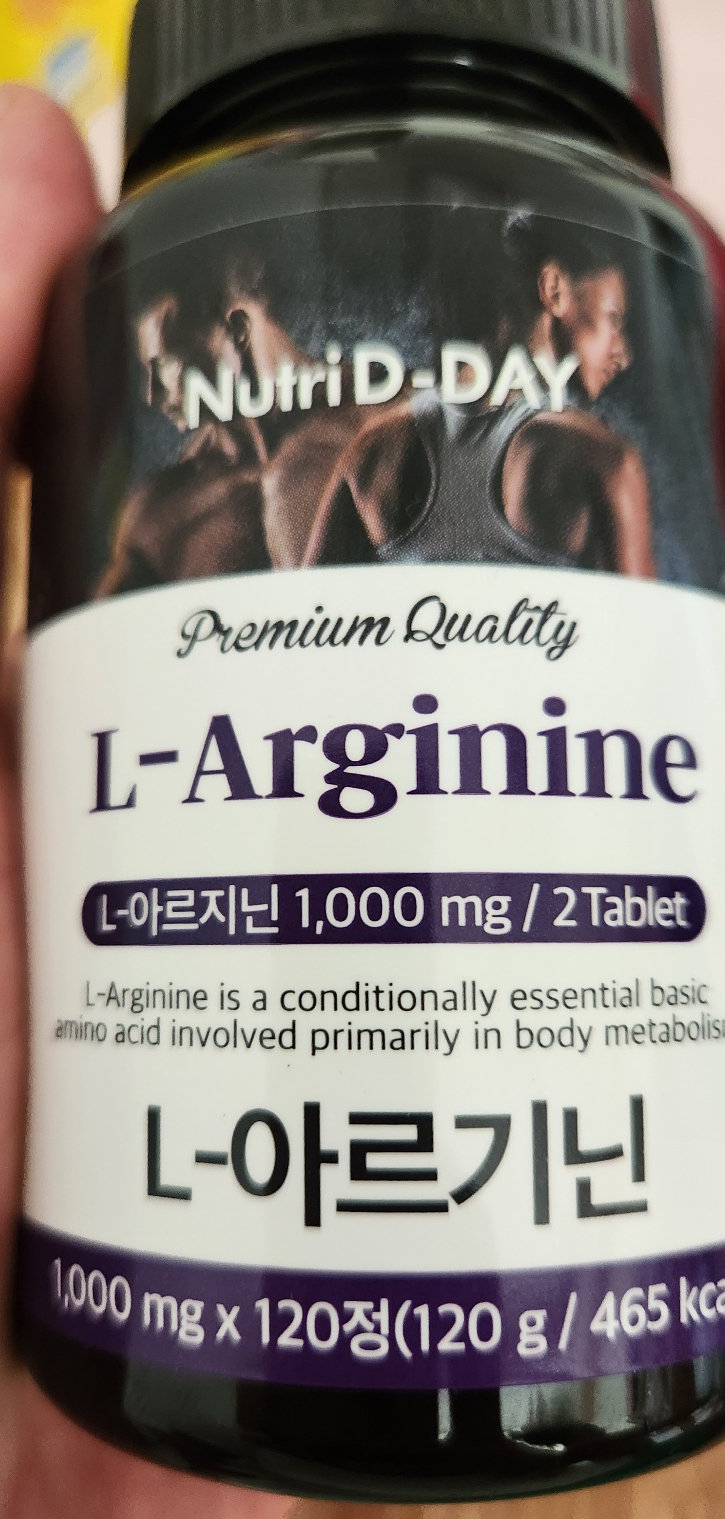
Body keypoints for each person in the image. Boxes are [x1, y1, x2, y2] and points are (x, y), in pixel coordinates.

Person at [0, 84, 291, 1519]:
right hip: (126, 1271)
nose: (215, 362)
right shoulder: (168, 507)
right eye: (188, 339)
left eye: (242, 324)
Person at [302, 217, 654, 577]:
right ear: (554, 289)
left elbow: (303, 606)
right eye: (613, 319)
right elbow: (641, 613)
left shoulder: (372, 450)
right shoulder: (603, 457)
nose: (623, 354)